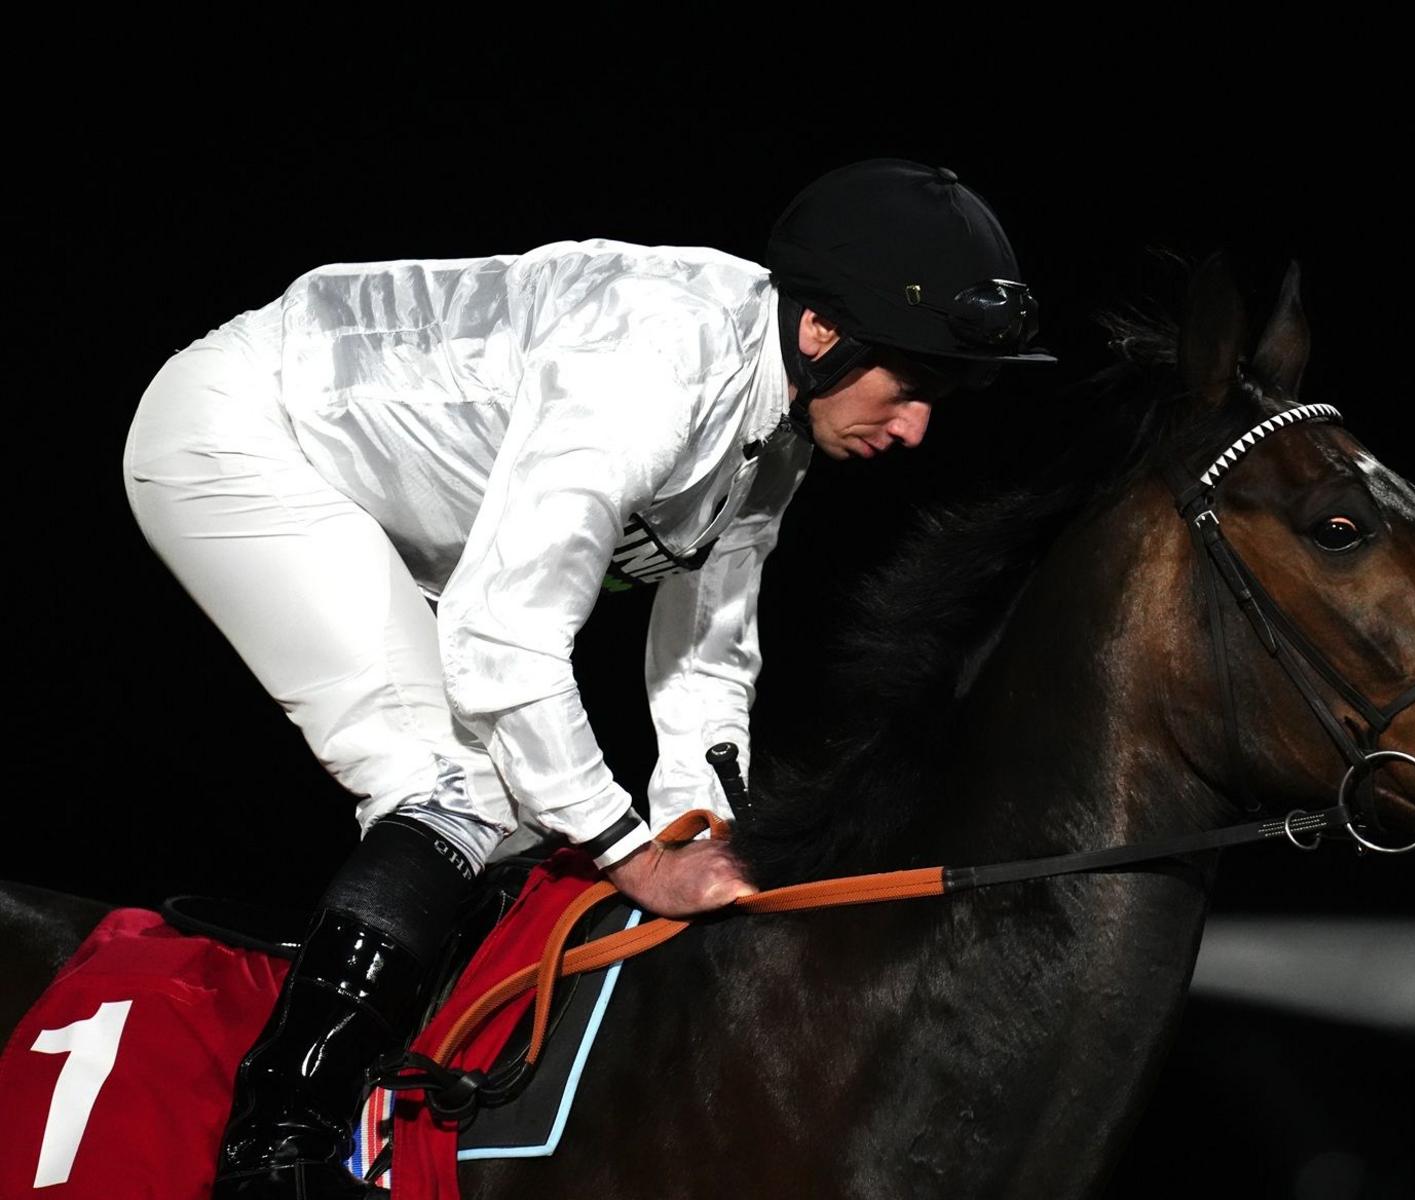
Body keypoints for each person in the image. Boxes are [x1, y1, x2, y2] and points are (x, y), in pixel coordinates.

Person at [120, 158, 1054, 1198]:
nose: (917, 426)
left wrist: (707, 838)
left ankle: (395, 1093)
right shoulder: (654, 364)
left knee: (517, 822)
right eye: (912, 384)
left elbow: (706, 658)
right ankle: (276, 1143)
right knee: (457, 791)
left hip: (371, 485)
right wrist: (625, 854)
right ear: (824, 332)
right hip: (246, 434)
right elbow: (504, 637)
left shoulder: (779, 420)